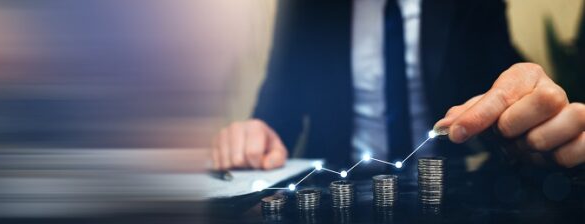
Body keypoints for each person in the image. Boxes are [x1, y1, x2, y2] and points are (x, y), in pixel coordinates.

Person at [211, 0, 585, 171]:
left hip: (448, 202)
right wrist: (254, 135)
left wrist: (530, 110)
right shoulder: (305, 8)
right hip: (336, 202)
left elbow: (506, 91)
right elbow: (277, 116)